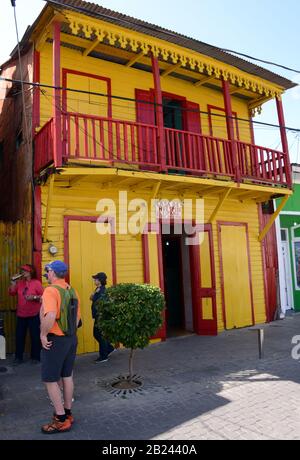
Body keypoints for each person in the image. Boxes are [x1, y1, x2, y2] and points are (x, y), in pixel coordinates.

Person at [40, 260, 81, 434]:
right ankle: (68, 413)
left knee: (50, 380)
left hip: (55, 340)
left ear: (52, 272)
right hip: (71, 339)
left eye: (47, 271)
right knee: (67, 376)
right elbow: (78, 319)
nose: (46, 274)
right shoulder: (72, 290)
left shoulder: (50, 290)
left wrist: (43, 334)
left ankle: (60, 419)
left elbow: (50, 315)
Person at [8, 264, 43, 364]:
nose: (23, 272)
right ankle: (18, 357)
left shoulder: (36, 283)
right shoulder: (19, 283)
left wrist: (34, 297)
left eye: (25, 271)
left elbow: (43, 297)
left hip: (34, 314)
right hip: (21, 315)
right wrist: (13, 282)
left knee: (35, 336)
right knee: (19, 337)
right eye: (22, 271)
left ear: (30, 272)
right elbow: (11, 293)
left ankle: (35, 357)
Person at [91, 272, 114, 363]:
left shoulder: (102, 291)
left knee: (99, 335)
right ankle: (109, 348)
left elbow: (101, 305)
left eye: (95, 279)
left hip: (100, 317)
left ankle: (103, 356)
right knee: (97, 334)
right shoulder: (98, 289)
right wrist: (93, 295)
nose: (94, 280)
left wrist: (100, 317)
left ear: (99, 280)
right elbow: (92, 298)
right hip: (98, 316)